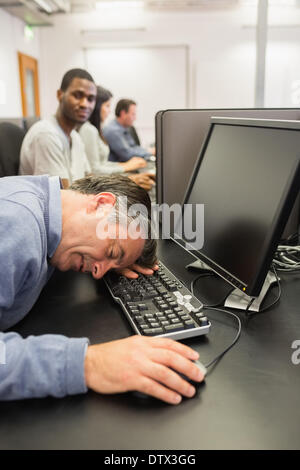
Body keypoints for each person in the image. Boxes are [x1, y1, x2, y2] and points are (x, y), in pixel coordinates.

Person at [0, 174, 204, 404]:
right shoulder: (16, 224)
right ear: (101, 204)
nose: (98, 273)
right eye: (111, 252)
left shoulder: (48, 210)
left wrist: (112, 260)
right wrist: (88, 364)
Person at [19, 68, 97, 189]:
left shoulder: (75, 137)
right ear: (60, 95)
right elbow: (62, 195)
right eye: (77, 95)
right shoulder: (45, 134)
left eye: (90, 99)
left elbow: (90, 180)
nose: (84, 104)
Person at [79, 86, 155, 192]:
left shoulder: (95, 129)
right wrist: (126, 167)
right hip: (99, 185)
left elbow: (102, 163)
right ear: (97, 106)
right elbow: (94, 169)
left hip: (106, 178)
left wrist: (124, 165)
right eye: (107, 106)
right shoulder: (90, 130)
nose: (109, 111)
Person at [103, 99, 156, 163]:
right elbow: (127, 155)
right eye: (133, 114)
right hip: (120, 169)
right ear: (123, 114)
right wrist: (149, 152)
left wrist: (147, 151)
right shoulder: (113, 131)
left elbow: (134, 147)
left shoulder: (124, 128)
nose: (135, 118)